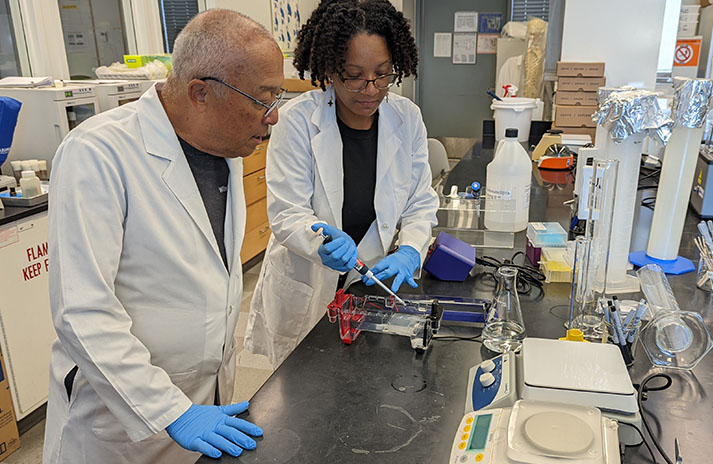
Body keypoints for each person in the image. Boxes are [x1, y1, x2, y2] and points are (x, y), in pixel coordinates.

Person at [43, 10, 285, 463]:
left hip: (205, 406)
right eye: (263, 99)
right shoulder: (97, 154)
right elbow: (82, 311)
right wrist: (172, 411)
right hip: (117, 427)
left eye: (277, 97)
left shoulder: (225, 148)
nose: (272, 117)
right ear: (200, 94)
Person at [245, 0, 438, 369]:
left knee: (364, 382)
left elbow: (419, 202)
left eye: (382, 74)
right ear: (330, 70)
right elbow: (287, 214)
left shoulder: (407, 118)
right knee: (302, 397)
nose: (370, 89)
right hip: (308, 283)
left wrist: (410, 250)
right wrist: (319, 241)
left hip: (369, 284)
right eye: (354, 75)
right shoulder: (297, 122)